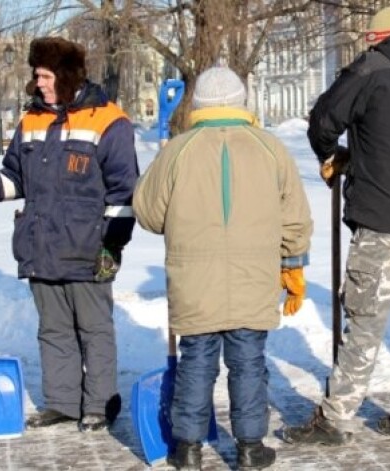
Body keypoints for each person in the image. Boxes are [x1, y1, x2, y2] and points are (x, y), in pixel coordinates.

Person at [282, 6, 390, 445]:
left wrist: (333, 153)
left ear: (376, 38)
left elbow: (323, 119)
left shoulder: (371, 67)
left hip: (383, 220)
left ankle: (336, 419)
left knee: (364, 326)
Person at [133, 65, 313, 470]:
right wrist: (293, 263)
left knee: (196, 361)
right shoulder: (270, 148)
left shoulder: (178, 149)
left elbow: (147, 212)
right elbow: (295, 218)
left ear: (198, 105)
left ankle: (188, 449)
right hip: (254, 278)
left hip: (194, 280)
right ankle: (250, 448)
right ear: (240, 102)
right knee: (248, 361)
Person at [0, 37, 139, 432]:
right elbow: (13, 177)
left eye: (44, 75)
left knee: (94, 329)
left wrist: (113, 245)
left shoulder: (110, 121)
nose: (38, 83)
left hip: (88, 249)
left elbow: (124, 191)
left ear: (66, 75)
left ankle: (99, 404)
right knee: (53, 329)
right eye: (36, 75)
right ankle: (62, 402)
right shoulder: (31, 121)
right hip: (40, 247)